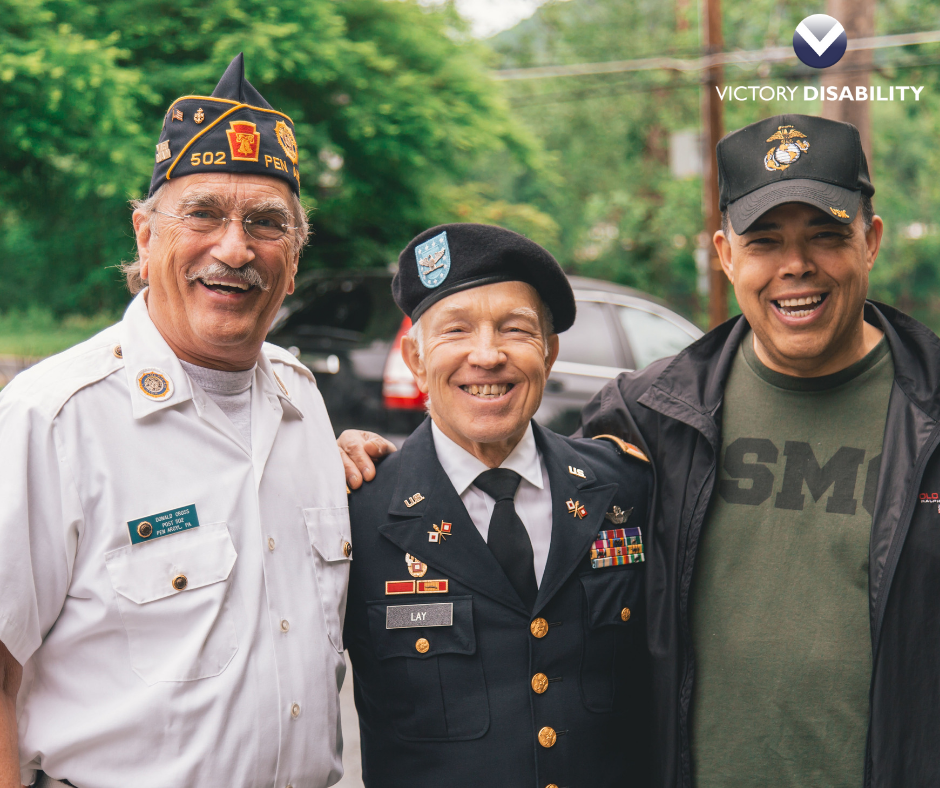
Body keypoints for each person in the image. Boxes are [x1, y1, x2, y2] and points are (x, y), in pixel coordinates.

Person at [0, 55, 352, 788]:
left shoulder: (302, 402)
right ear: (144, 235)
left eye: (266, 224)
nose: (234, 248)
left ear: (293, 260)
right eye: (203, 213)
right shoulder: (54, 419)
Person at [577, 113, 940, 787]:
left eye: (827, 236)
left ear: (872, 241)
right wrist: (369, 467)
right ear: (725, 254)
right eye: (765, 240)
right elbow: (521, 537)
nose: (795, 266)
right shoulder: (646, 420)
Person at [342, 224, 654, 788]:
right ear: (415, 358)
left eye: (515, 330)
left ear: (549, 352)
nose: (486, 356)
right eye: (455, 330)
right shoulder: (355, 511)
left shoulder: (626, 490)